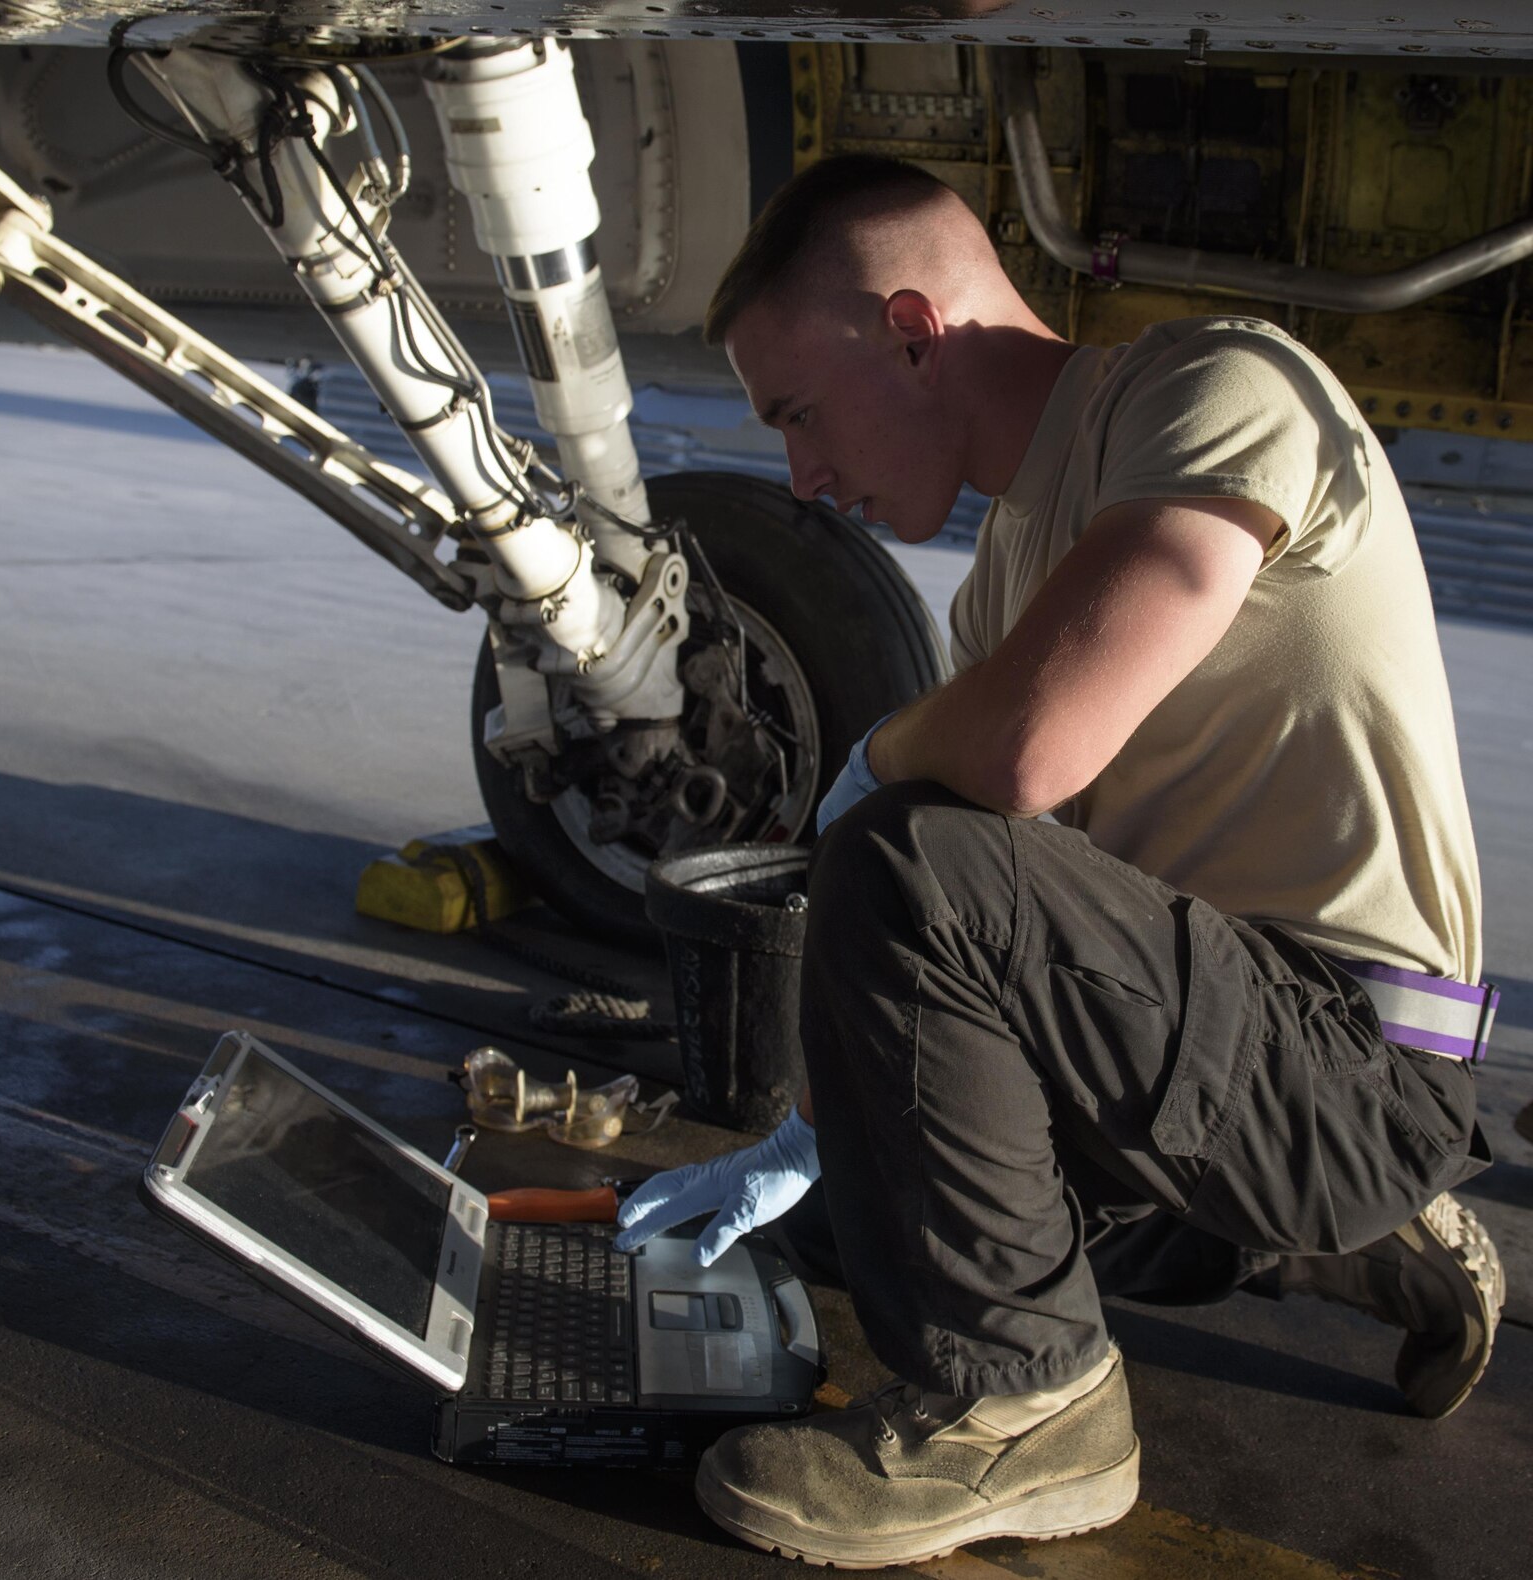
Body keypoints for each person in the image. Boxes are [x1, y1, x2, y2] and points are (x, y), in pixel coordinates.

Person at [613, 154, 1504, 1569]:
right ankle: (1358, 1242)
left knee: (907, 856)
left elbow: (1031, 751)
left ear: (910, 329)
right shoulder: (1008, 581)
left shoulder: (1215, 392)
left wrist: (874, 762)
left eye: (798, 413)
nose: (802, 474)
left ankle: (1028, 1412)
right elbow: (1015, 972)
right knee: (867, 1215)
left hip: (1355, 1054)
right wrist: (818, 1134)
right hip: (1219, 1040)